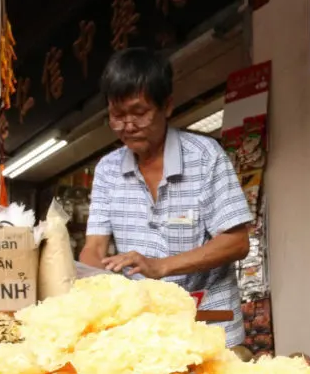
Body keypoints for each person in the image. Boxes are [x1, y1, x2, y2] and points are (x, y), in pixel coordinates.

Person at [80, 48, 252, 347]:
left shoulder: (204, 156)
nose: (128, 126)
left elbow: (237, 242)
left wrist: (161, 266)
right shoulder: (108, 170)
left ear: (167, 106)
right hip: (143, 333)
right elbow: (93, 248)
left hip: (210, 326)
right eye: (117, 115)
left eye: (139, 112)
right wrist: (95, 279)